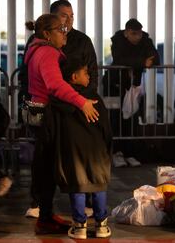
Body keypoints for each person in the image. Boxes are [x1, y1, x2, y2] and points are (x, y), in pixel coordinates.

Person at [24, 13, 99, 234]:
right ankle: (46, 218)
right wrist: (82, 101)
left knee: (44, 168)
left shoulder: (36, 50)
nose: (65, 33)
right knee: (48, 169)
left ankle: (46, 215)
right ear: (47, 34)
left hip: (37, 114)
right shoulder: (47, 52)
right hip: (47, 117)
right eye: (60, 29)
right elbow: (55, 85)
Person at [44, 58, 112, 239]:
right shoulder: (94, 99)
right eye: (85, 73)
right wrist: (108, 149)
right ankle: (101, 225)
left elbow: (50, 130)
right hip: (96, 152)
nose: (89, 76)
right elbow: (106, 128)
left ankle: (79, 225)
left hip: (70, 152)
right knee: (98, 185)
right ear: (74, 76)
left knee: (77, 185)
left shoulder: (57, 103)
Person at [105, 18, 160, 167]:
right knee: (115, 119)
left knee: (131, 120)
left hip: (132, 87)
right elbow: (119, 59)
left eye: (139, 34)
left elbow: (156, 58)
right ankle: (116, 153)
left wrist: (138, 61)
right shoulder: (117, 40)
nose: (137, 37)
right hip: (114, 85)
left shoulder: (145, 40)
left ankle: (129, 153)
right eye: (134, 34)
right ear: (126, 33)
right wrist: (142, 62)